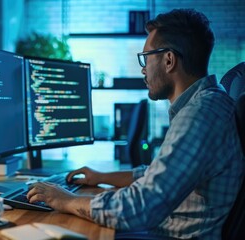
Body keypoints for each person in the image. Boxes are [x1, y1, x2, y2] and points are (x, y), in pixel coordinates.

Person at [27, 8, 244, 239]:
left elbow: (140, 209)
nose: (143, 69)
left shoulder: (199, 116)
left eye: (146, 58)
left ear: (169, 60)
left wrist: (65, 199)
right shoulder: (208, 103)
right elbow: (158, 175)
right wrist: (101, 177)